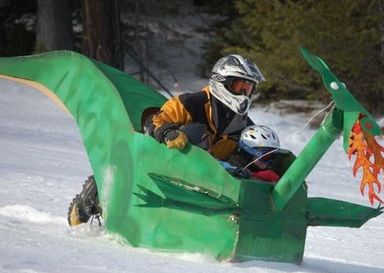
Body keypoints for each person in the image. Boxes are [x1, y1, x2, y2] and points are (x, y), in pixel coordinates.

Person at [67, 54, 265, 226]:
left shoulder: (243, 122)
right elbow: (153, 120)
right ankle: (94, 193)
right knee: (197, 132)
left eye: (248, 88)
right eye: (239, 86)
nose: (244, 93)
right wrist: (169, 133)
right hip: (170, 164)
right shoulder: (191, 103)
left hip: (212, 177)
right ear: (221, 81)